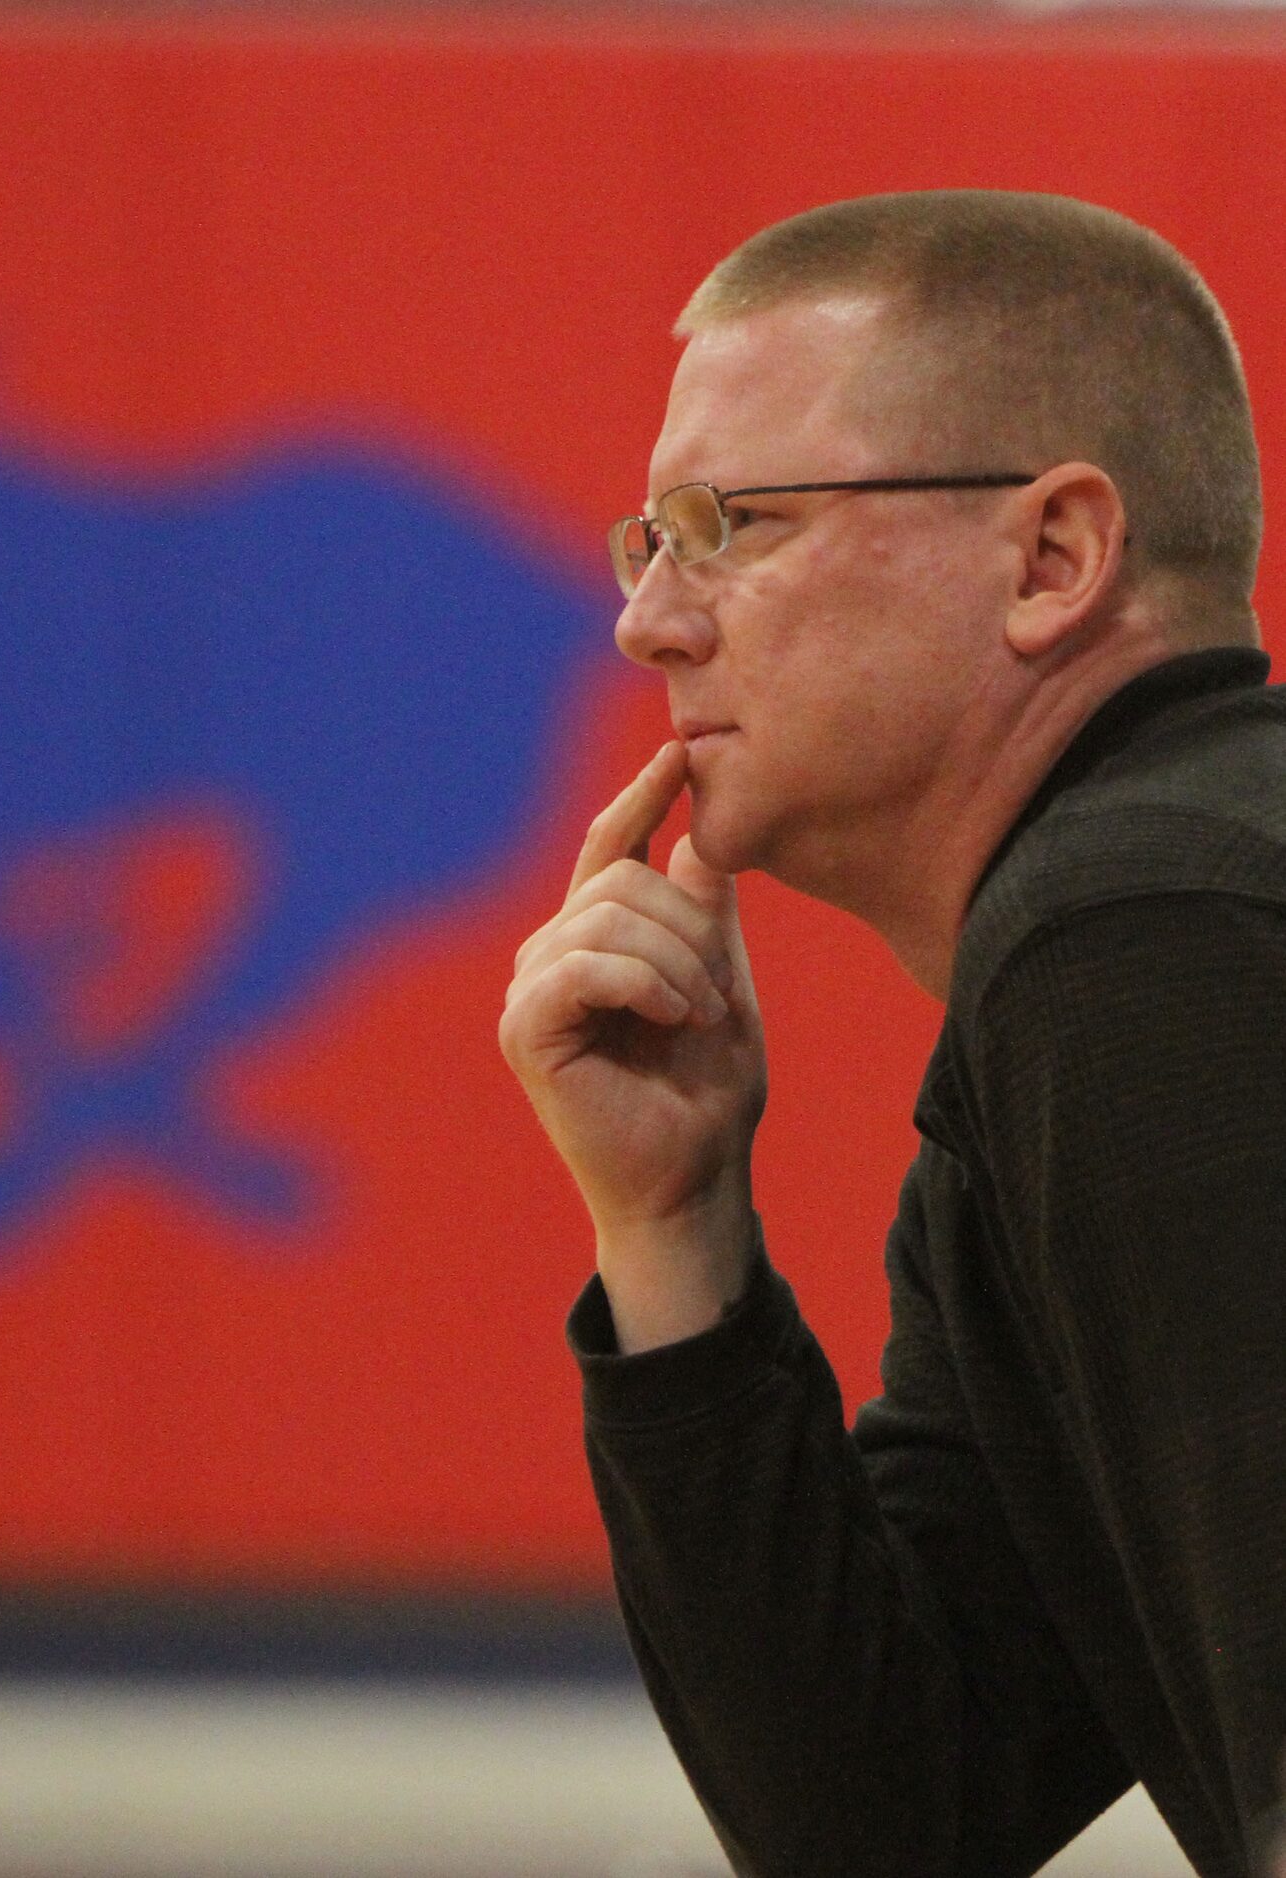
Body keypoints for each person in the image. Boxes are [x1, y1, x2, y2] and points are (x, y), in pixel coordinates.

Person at [498, 189, 1286, 1878]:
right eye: (649, 540)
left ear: (1053, 559)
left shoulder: (1143, 932)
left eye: (728, 524)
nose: (650, 621)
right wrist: (671, 1224)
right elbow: (899, 1816)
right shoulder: (1100, 954)